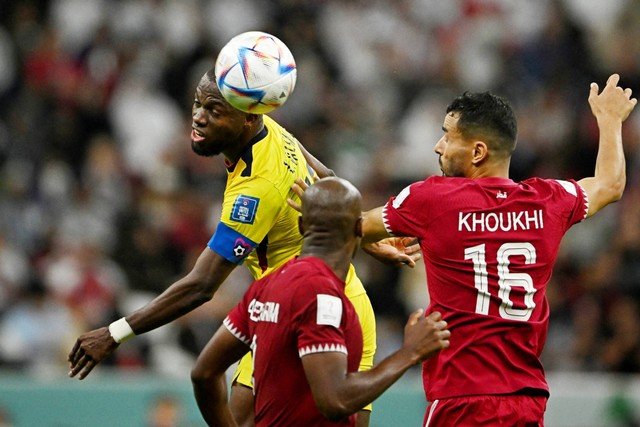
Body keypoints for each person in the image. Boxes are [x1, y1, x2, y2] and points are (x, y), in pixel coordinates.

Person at [67, 67, 419, 426]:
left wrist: (115, 333)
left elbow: (202, 285)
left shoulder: (254, 192)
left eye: (215, 111)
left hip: (330, 307)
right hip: (281, 302)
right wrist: (360, 233)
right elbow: (327, 179)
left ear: (247, 120)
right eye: (197, 103)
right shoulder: (270, 129)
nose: (199, 117)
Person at [291, 74, 637, 425]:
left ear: (477, 152)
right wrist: (609, 121)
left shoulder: (432, 199)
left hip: (461, 399)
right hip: (526, 402)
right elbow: (609, 184)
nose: (438, 146)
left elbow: (345, 225)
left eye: (447, 135)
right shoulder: (548, 201)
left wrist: (359, 235)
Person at [190, 176, 451, 426]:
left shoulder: (266, 285)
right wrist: (408, 354)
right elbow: (334, 401)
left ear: (302, 225)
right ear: (360, 229)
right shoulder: (323, 296)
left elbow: (203, 373)